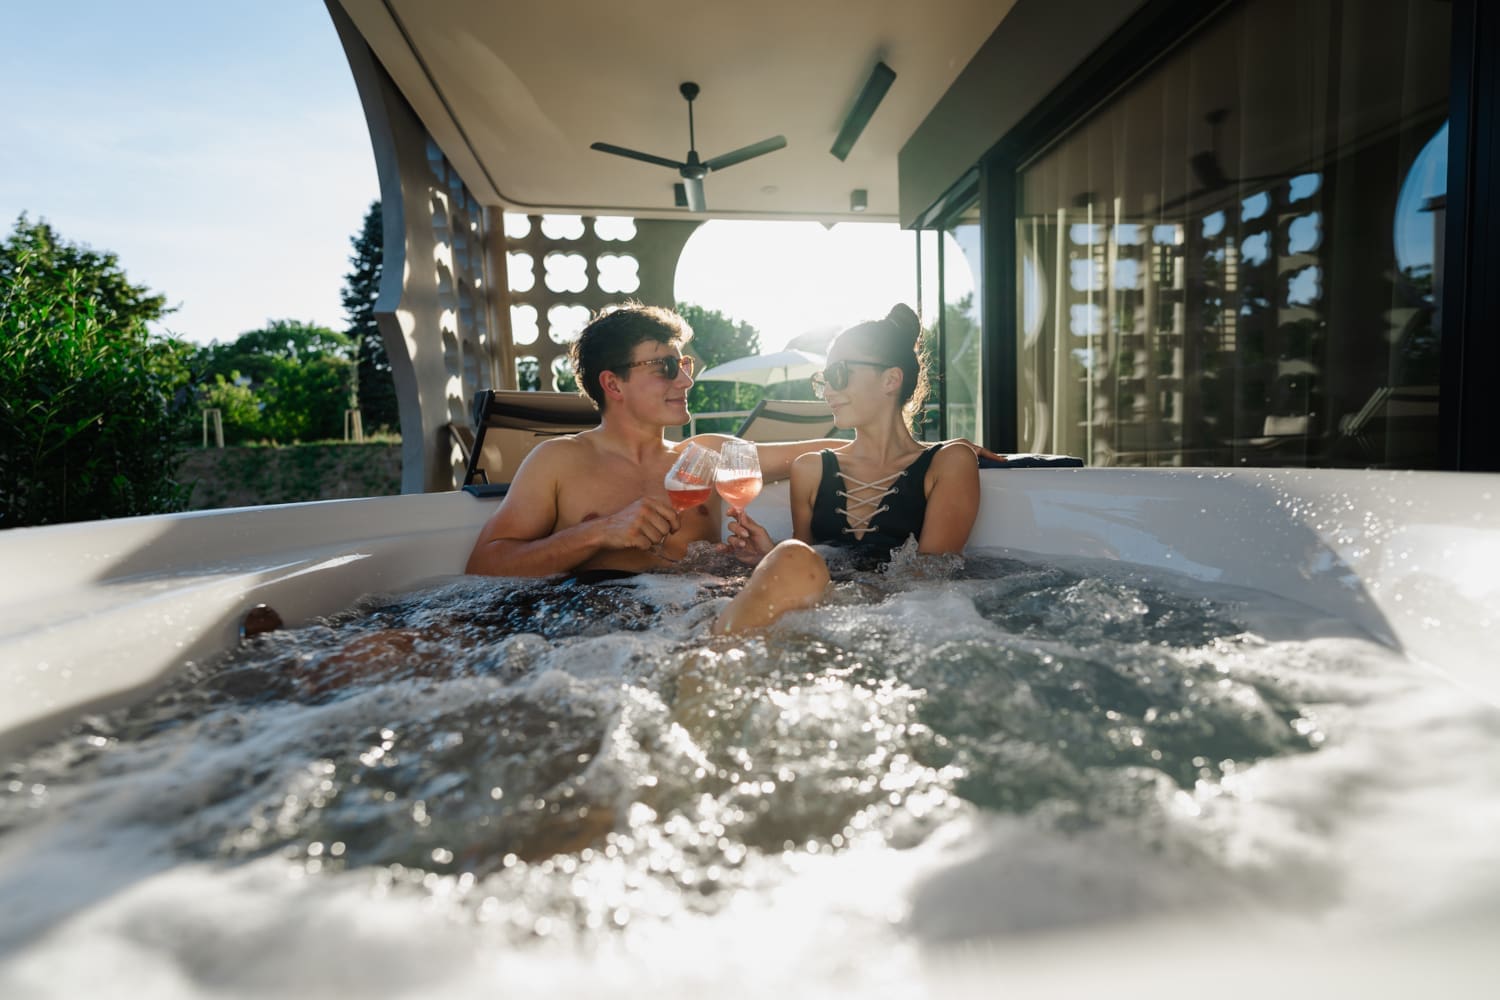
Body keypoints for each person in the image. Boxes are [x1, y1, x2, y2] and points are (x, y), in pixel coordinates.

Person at [465, 302, 847, 579]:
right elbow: (484, 567)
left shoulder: (706, 454)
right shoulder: (557, 460)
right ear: (613, 384)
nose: (686, 381)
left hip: (697, 616)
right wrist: (599, 532)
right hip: (599, 625)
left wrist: (759, 560)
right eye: (666, 367)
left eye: (684, 365)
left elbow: (839, 454)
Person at [712, 304, 981, 633]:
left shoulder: (949, 463)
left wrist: (797, 565)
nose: (828, 391)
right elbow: (808, 560)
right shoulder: (811, 469)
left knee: (791, 555)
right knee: (791, 554)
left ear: (890, 380)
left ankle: (707, 658)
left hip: (901, 625)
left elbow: (928, 582)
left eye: (838, 375)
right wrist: (768, 558)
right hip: (823, 624)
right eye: (824, 380)